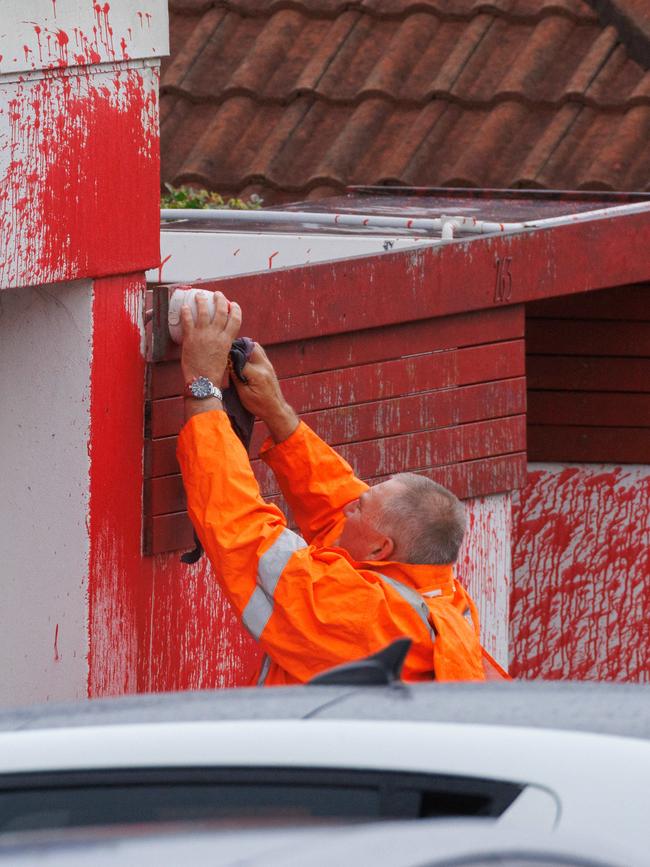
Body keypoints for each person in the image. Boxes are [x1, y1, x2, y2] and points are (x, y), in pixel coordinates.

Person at [177, 290, 501, 686]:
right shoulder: (435, 595)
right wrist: (277, 413)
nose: (350, 506)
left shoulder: (358, 614)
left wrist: (203, 388)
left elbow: (242, 533)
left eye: (360, 507)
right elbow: (337, 506)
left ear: (382, 548)